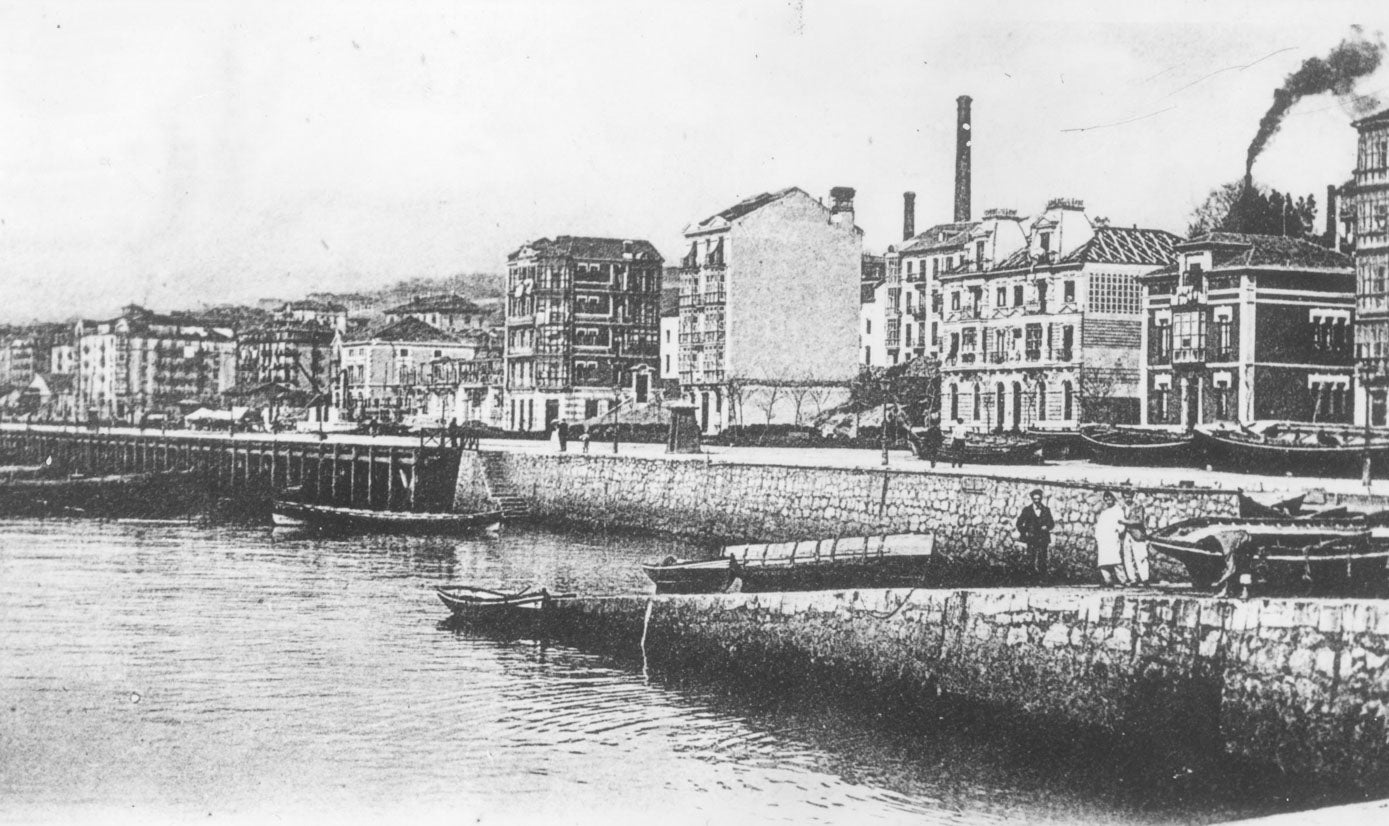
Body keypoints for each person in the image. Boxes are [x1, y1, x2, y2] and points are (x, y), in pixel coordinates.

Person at [1016, 488, 1055, 577]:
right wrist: (1025, 532)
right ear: (1032, 499)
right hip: (1031, 538)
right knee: (1031, 558)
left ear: (1041, 499)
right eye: (1035, 499)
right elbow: (1019, 523)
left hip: (1043, 538)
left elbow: (1052, 523)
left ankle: (1042, 578)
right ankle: (1031, 578)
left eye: (1039, 499)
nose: (1037, 501)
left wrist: (1047, 526)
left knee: (1042, 558)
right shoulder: (1027, 510)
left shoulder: (1046, 510)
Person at [1094, 491, 1127, 587]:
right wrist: (1098, 537)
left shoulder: (1118, 510)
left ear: (1113, 499)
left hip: (1112, 538)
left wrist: (1119, 530)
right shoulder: (1104, 513)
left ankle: (1123, 580)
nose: (1108, 500)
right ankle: (1108, 581)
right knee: (1103, 562)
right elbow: (1099, 526)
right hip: (1103, 540)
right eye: (1106, 499)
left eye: (1110, 498)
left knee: (1116, 560)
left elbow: (1122, 524)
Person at [1120, 488, 1150, 586]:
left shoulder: (1138, 507)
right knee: (1127, 557)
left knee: (1141, 556)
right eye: (1125, 497)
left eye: (1129, 497)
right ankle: (1132, 579)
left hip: (1137, 534)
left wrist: (1125, 522)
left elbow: (1139, 521)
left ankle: (1145, 579)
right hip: (1126, 534)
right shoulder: (1121, 508)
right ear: (1123, 497)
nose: (1128, 499)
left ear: (1133, 497)